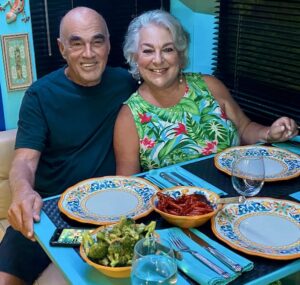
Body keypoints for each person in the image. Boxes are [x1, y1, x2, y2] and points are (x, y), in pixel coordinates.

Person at [0, 7, 136, 285]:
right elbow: (24, 160)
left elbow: (168, 85)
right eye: (77, 43)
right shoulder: (39, 95)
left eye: (97, 41)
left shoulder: (126, 83)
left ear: (109, 44)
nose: (89, 53)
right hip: (46, 212)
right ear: (62, 49)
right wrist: (23, 192)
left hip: (105, 214)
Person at [114, 9, 298, 175]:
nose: (158, 59)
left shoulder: (209, 85)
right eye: (148, 51)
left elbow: (244, 128)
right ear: (135, 57)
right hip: (179, 209)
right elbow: (130, 185)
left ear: (180, 54)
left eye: (167, 49)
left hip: (236, 195)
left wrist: (269, 133)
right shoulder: (129, 117)